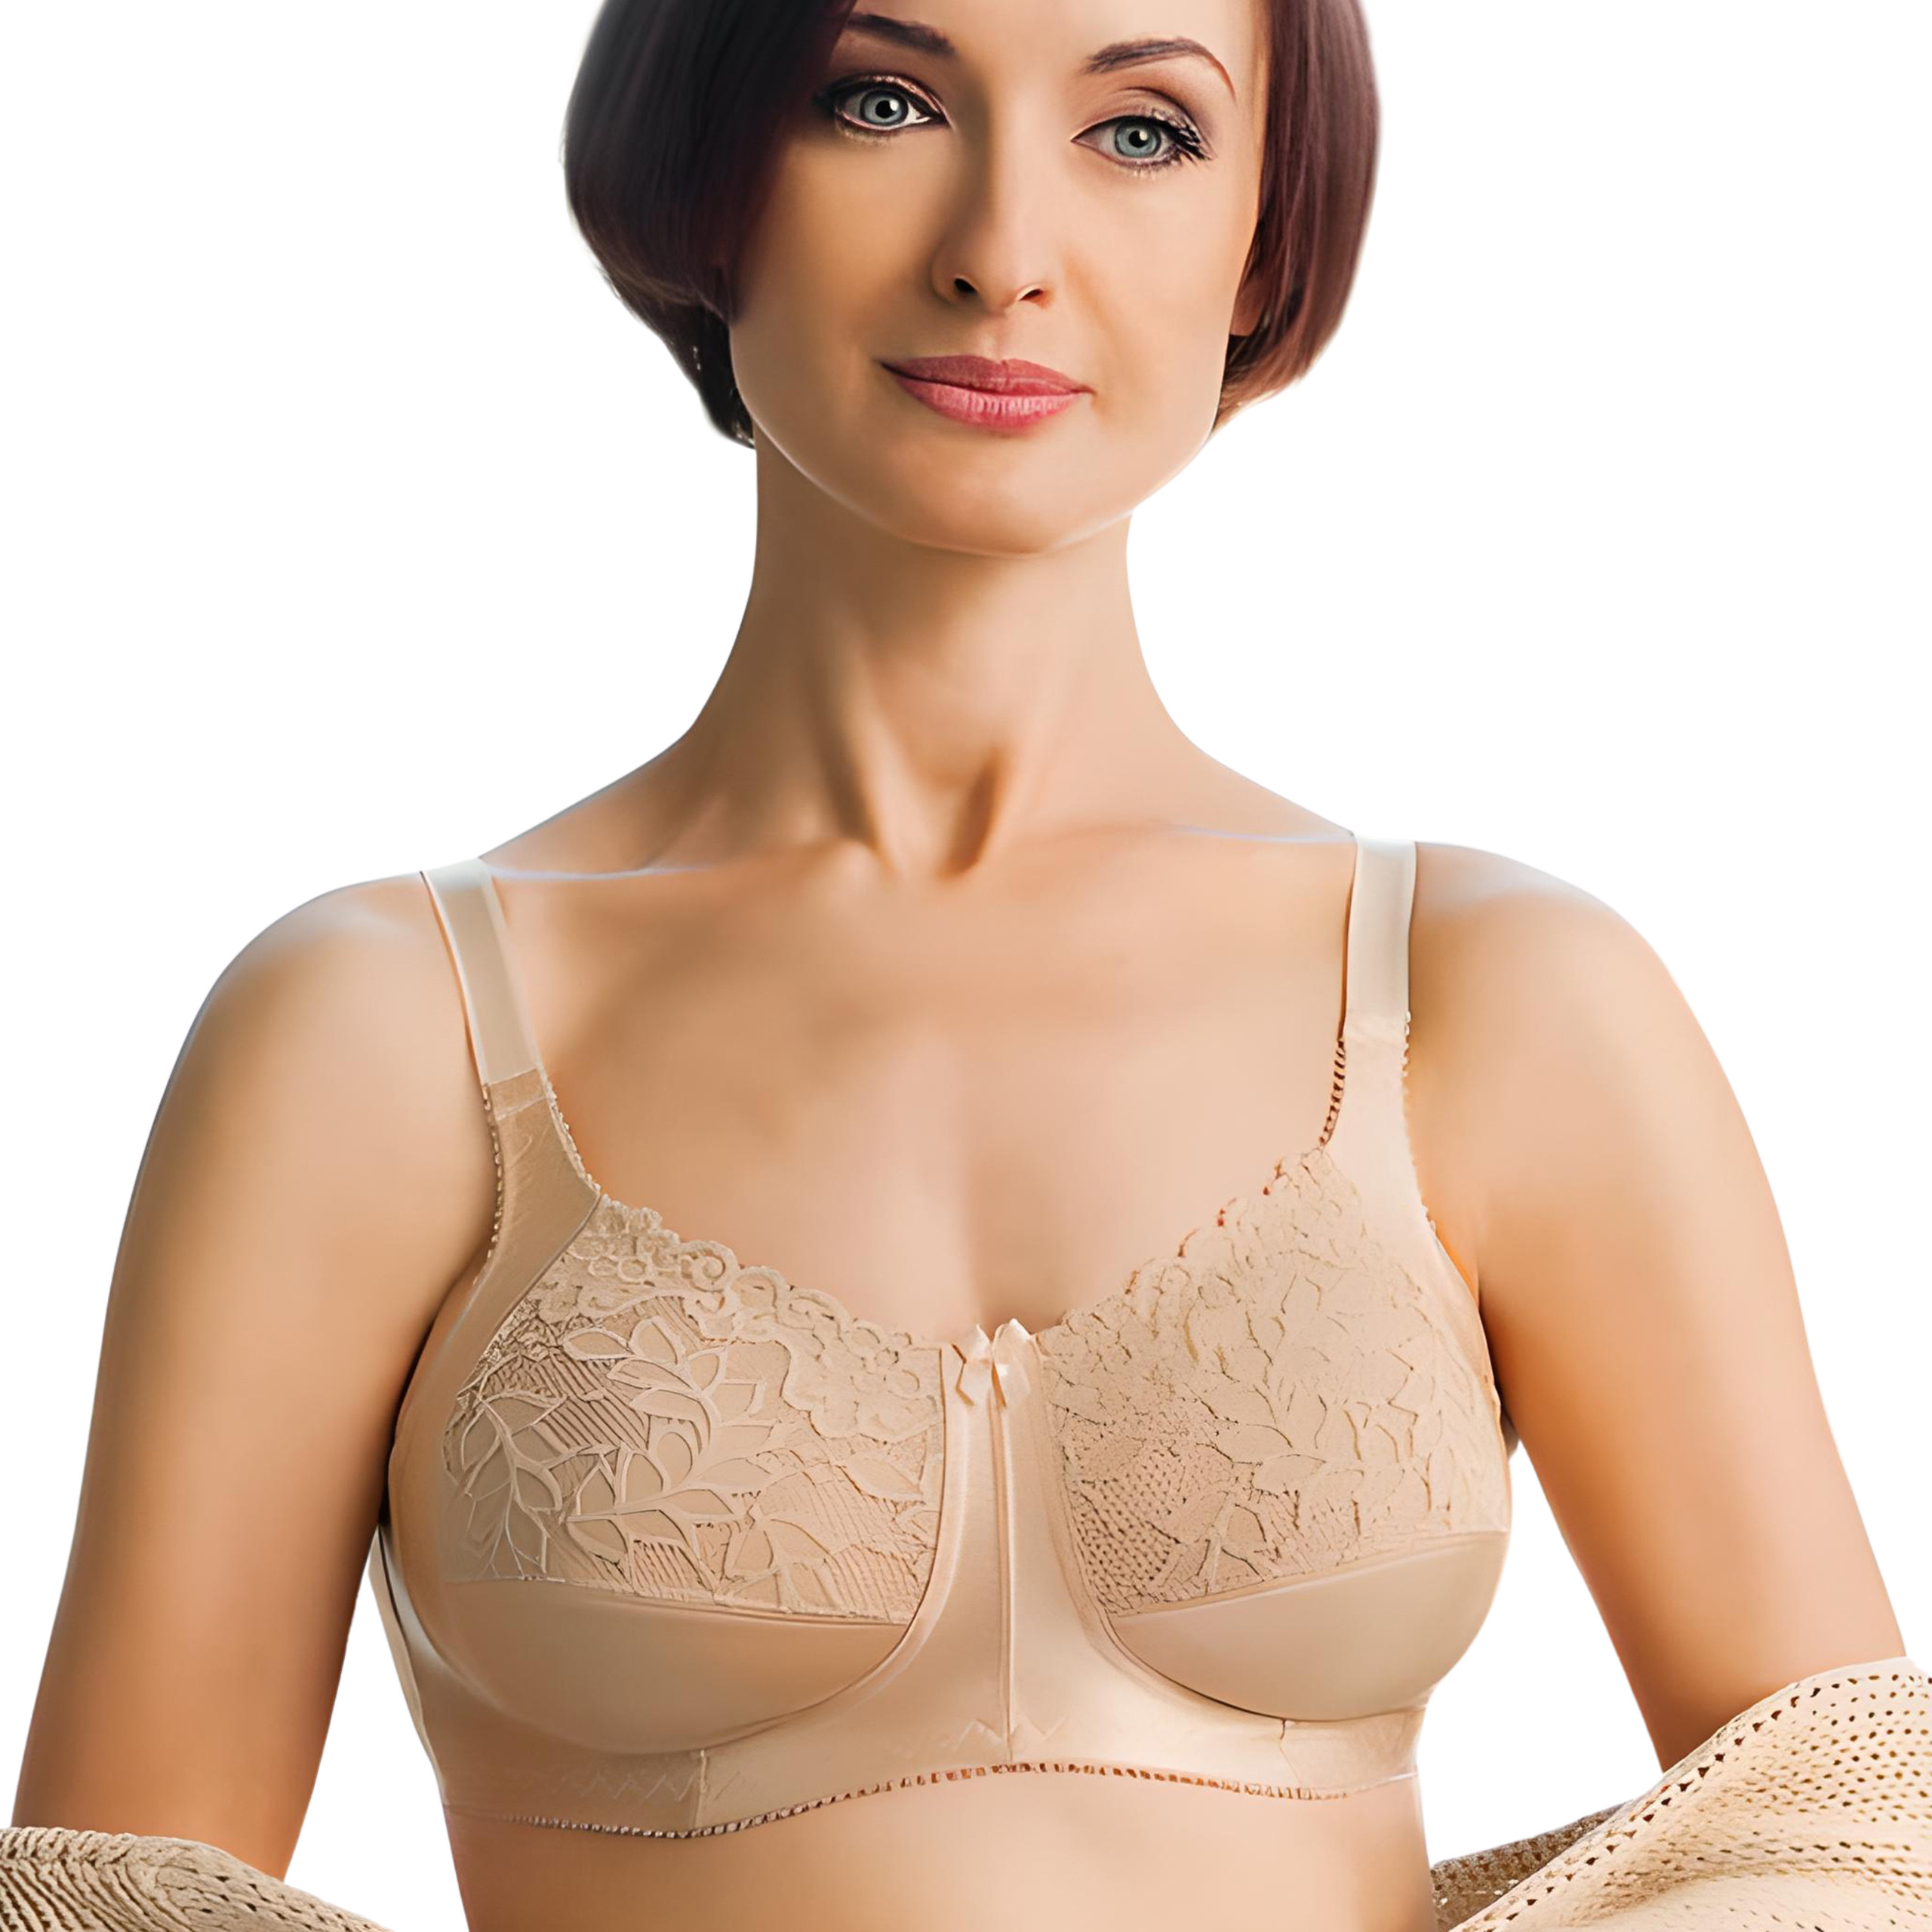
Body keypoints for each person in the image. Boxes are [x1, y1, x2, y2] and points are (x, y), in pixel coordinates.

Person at [8, 1, 1927, 1928]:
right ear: (704, 168)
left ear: (1265, 239)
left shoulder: (1494, 999)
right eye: (880, 99)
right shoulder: (383, 1028)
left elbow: (1847, 1837)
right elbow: (112, 1898)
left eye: (1143, 130)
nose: (1001, 250)